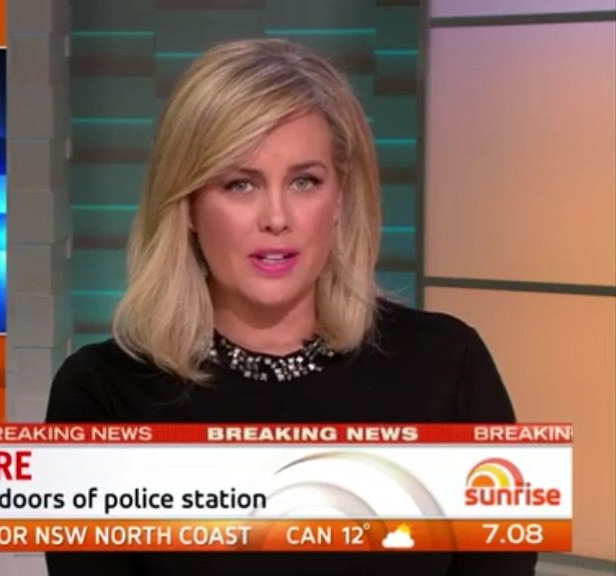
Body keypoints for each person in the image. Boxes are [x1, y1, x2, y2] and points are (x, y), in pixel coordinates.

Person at [44, 39, 536, 576]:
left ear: (341, 197)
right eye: (240, 184)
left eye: (305, 181)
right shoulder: (102, 395)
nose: (276, 217)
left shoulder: (449, 364)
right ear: (186, 206)